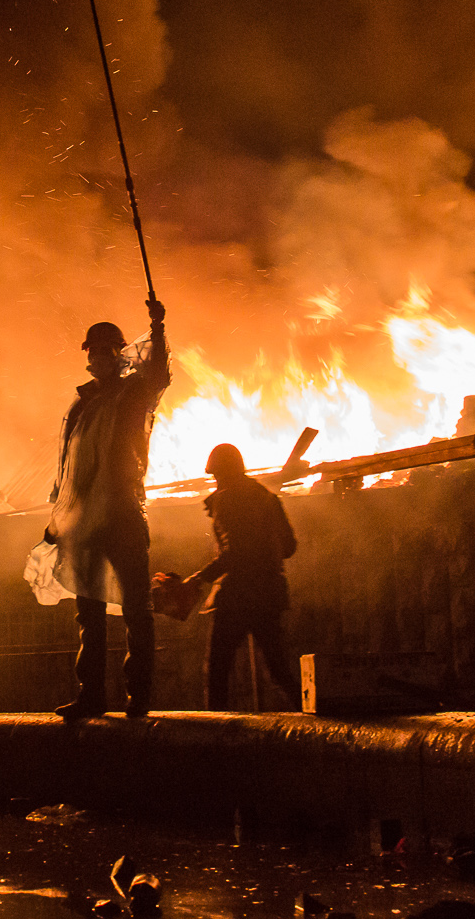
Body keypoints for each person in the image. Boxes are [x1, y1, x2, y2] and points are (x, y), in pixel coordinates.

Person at [49, 299, 170, 720]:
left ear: (119, 353)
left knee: (137, 608)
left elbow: (159, 374)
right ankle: (93, 696)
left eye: (106, 350)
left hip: (121, 513)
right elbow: (67, 466)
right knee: (90, 612)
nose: (98, 357)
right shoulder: (81, 406)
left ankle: (139, 696)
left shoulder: (134, 393)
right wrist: (56, 519)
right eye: (93, 351)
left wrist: (157, 328)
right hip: (84, 521)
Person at [184, 443, 301, 711]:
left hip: (237, 596)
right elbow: (289, 546)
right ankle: (318, 722)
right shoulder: (266, 496)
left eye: (216, 475)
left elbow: (234, 553)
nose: (215, 481)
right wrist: (264, 555)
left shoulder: (227, 500)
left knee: (217, 669)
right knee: (279, 669)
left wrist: (199, 578)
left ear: (222, 472)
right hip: (269, 592)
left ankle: (214, 730)